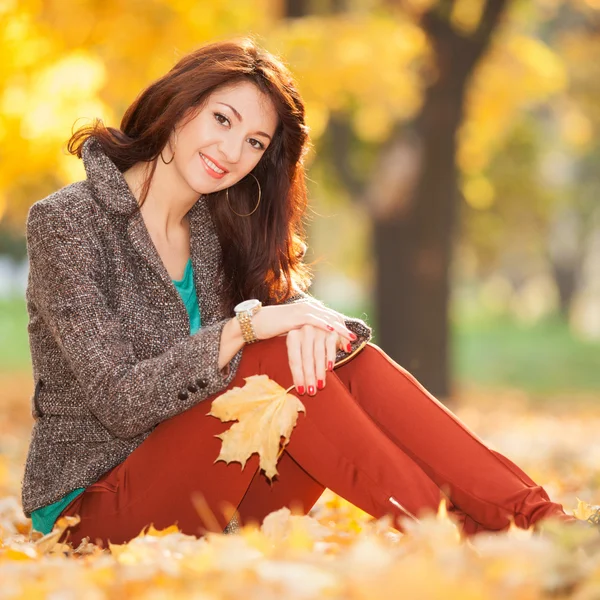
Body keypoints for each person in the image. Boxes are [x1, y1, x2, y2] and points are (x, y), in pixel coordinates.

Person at [22, 36, 579, 549]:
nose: (231, 151)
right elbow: (121, 402)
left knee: (327, 355)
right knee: (270, 353)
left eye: (254, 142)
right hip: (95, 511)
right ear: (179, 102)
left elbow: (321, 339)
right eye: (222, 119)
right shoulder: (70, 223)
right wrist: (248, 328)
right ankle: (443, 533)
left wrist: (308, 323)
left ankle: (541, 520)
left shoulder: (215, 231)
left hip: (221, 492)